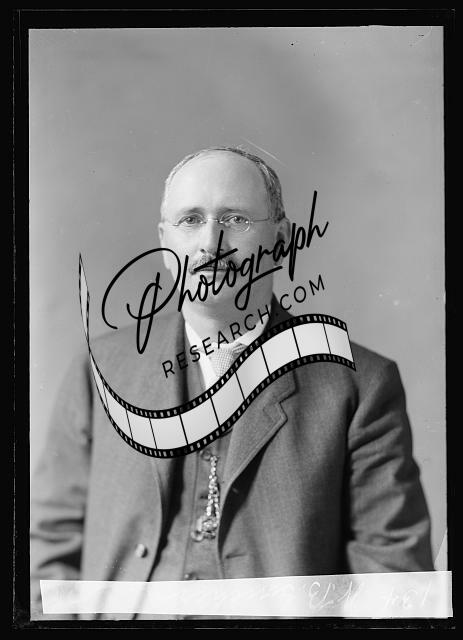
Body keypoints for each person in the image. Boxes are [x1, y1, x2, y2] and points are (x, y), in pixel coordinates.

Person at [30, 146, 433, 620]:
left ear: (281, 240)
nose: (211, 242)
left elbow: (392, 584)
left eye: (236, 219)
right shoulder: (101, 369)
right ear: (163, 242)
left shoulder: (359, 386)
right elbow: (46, 556)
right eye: (190, 220)